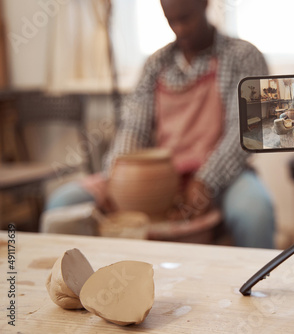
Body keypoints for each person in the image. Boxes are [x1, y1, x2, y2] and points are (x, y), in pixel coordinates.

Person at [43, 0, 275, 249]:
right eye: (170, 21)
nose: (179, 29)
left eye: (186, 18)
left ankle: (257, 286)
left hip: (222, 175)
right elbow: (133, 128)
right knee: (61, 203)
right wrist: (117, 178)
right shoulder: (156, 64)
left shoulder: (242, 56)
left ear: (205, 4)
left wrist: (205, 182)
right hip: (163, 174)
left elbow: (245, 133)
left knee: (255, 213)